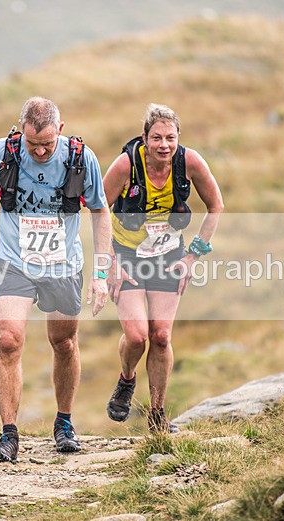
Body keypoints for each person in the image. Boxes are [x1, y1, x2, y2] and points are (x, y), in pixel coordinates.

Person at [0, 96, 112, 462]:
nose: (40, 151)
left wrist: (100, 273)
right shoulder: (1, 153)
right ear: (21, 134)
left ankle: (64, 423)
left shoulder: (82, 159)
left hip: (63, 264)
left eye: (47, 144)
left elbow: (100, 211)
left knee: (63, 342)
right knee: (8, 339)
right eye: (33, 145)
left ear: (60, 132)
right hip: (12, 260)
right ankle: (8, 435)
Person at [102, 103, 224, 434]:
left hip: (169, 256)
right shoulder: (126, 164)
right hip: (125, 255)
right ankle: (127, 380)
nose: (164, 145)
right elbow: (97, 209)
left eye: (170, 137)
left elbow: (216, 206)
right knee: (137, 336)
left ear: (178, 138)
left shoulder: (190, 162)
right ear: (145, 138)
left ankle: (157, 415)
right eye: (156, 137)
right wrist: (109, 261)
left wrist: (192, 257)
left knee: (160, 335)